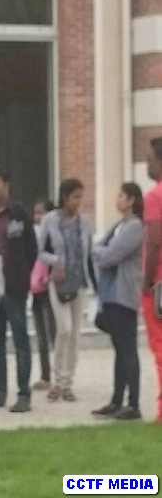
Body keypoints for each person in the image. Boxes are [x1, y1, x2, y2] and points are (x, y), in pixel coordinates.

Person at [0, 169, 36, 413]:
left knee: (20, 339)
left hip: (14, 286)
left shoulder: (18, 213)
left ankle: (24, 394)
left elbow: (32, 248)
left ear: (6, 185)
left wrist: (22, 275)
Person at [91, 183, 144, 421]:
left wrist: (101, 254)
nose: (118, 199)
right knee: (119, 350)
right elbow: (99, 249)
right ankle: (116, 400)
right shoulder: (118, 225)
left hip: (124, 295)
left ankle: (133, 404)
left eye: (122, 195)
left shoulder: (134, 227)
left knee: (128, 349)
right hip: (110, 295)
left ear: (131, 200)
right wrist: (101, 253)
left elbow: (109, 255)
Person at [38, 178, 94, 403]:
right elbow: (41, 251)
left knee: (75, 334)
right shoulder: (50, 220)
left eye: (81, 197)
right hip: (58, 282)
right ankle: (57, 379)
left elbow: (89, 255)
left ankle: (67, 383)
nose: (78, 202)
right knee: (64, 329)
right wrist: (56, 262)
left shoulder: (85, 223)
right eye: (75, 197)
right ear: (64, 197)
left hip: (79, 283)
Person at [141, 137, 162, 423]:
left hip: (158, 284)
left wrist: (146, 281)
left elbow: (155, 241)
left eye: (149, 159)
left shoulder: (154, 196)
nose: (147, 164)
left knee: (159, 346)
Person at [30, 199, 56, 391]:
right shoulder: (32, 235)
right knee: (41, 336)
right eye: (36, 213)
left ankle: (60, 376)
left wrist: (50, 277)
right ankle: (45, 376)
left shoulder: (53, 235)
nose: (38, 217)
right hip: (36, 290)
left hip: (50, 289)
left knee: (53, 333)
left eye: (41, 212)